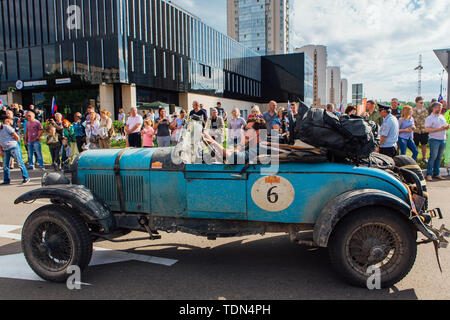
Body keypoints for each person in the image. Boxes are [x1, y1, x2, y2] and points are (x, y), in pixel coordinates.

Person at [0, 118, 30, 184]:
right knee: (5, 165)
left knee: (20, 163)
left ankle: (26, 177)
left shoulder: (6, 127)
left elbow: (16, 136)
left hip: (13, 147)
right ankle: (6, 180)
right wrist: (1, 151)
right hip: (5, 149)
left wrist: (14, 144)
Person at [425, 102, 449, 181]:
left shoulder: (442, 117)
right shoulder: (429, 118)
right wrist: (440, 129)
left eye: (441, 107)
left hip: (442, 139)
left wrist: (446, 128)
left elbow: (444, 126)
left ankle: (436, 173)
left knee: (439, 158)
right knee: (433, 157)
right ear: (434, 108)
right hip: (434, 140)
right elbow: (427, 129)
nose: (440, 109)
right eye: (439, 107)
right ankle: (429, 174)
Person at [412, 96, 429, 163]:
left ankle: (424, 157)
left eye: (423, 103)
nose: (422, 104)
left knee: (424, 144)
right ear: (416, 103)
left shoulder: (425, 111)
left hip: (423, 130)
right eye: (421, 103)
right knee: (415, 144)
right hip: (416, 130)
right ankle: (415, 157)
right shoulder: (412, 111)